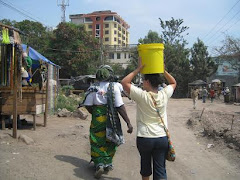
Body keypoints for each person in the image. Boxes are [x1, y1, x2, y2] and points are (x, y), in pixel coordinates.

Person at [121, 58, 177, 180]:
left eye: (143, 80)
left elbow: (124, 82)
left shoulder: (141, 95)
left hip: (145, 137)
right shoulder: (164, 94)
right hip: (161, 137)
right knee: (160, 169)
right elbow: (173, 83)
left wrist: (138, 69)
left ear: (147, 82)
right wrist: (164, 71)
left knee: (145, 168)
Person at [81, 65, 133, 179]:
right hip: (111, 118)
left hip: (97, 118)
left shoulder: (92, 88)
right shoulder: (114, 87)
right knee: (111, 139)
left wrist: (96, 114)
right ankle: (108, 163)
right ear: (110, 75)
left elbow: (88, 105)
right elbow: (119, 106)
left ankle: (99, 163)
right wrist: (128, 122)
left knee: (96, 139)